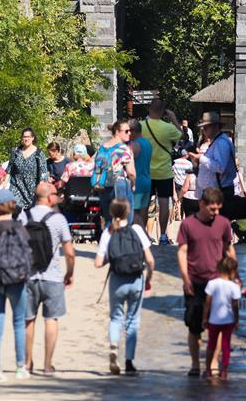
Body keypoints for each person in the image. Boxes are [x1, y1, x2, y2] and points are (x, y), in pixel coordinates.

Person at [177, 186, 236, 378]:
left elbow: (229, 250)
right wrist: (185, 278)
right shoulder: (188, 224)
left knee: (216, 327)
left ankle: (212, 364)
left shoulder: (224, 223)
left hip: (217, 283)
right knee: (194, 327)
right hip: (195, 282)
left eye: (219, 209)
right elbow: (182, 251)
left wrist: (234, 277)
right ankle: (195, 365)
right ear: (202, 204)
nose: (216, 213)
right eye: (213, 209)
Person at [94, 198, 155, 376]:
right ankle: (128, 361)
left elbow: (98, 263)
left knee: (115, 318)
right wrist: (148, 279)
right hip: (136, 279)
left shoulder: (109, 232)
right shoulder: (136, 229)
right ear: (128, 213)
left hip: (117, 279)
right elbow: (150, 260)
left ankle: (114, 348)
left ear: (111, 213)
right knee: (133, 321)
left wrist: (110, 258)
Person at [22, 182, 75, 375]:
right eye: (56, 193)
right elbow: (69, 253)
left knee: (28, 320)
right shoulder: (58, 219)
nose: (59, 197)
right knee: (51, 319)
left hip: (28, 275)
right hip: (52, 276)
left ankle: (27, 363)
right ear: (48, 197)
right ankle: (47, 365)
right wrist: (69, 274)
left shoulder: (23, 216)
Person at [0, 188, 32, 383]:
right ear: (12, 204)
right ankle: (21, 367)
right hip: (17, 280)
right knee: (19, 323)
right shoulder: (19, 227)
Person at [140, 98, 182, 244]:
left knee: (144, 204)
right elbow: (182, 135)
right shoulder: (168, 128)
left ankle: (143, 234)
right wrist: (173, 118)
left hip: (145, 171)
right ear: (163, 112)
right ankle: (163, 235)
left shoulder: (141, 126)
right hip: (164, 172)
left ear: (149, 109)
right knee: (164, 203)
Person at [187, 112, 237, 217]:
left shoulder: (221, 143)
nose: (203, 130)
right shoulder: (218, 141)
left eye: (206, 127)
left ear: (215, 127)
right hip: (215, 192)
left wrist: (201, 158)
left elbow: (220, 167)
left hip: (220, 192)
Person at [202, 256, 241, 380]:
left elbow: (207, 303)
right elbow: (235, 305)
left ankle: (208, 370)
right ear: (232, 271)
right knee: (226, 346)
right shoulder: (234, 286)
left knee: (210, 345)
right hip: (228, 321)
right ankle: (224, 370)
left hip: (214, 320)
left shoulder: (212, 284)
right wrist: (237, 320)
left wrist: (205, 318)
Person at [91, 120, 136, 225]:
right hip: (120, 185)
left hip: (103, 185)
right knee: (125, 219)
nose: (129, 133)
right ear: (117, 132)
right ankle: (122, 240)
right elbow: (131, 173)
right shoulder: (124, 149)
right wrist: (133, 184)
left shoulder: (102, 147)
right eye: (126, 131)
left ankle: (109, 239)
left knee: (108, 219)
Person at [8, 128, 48, 212]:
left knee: (30, 216)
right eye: (24, 137)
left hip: (32, 191)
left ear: (33, 138)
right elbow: (9, 169)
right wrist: (4, 184)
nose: (26, 139)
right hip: (17, 187)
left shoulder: (39, 154)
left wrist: (41, 191)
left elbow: (43, 175)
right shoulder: (15, 152)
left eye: (28, 137)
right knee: (16, 211)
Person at [128, 120, 152, 228]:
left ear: (132, 131)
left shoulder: (134, 145)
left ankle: (141, 235)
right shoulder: (147, 143)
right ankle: (142, 234)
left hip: (137, 182)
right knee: (143, 211)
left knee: (134, 212)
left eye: (128, 131)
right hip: (147, 179)